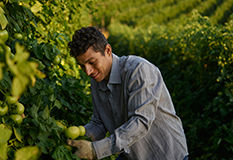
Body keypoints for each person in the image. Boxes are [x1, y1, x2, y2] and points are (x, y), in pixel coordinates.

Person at [67, 26, 189, 160]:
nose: (88, 71)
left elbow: (140, 122)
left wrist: (96, 150)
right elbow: (99, 122)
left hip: (164, 154)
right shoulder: (97, 81)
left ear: (107, 50)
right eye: (82, 66)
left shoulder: (139, 70)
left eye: (92, 62)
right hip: (131, 154)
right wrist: (76, 139)